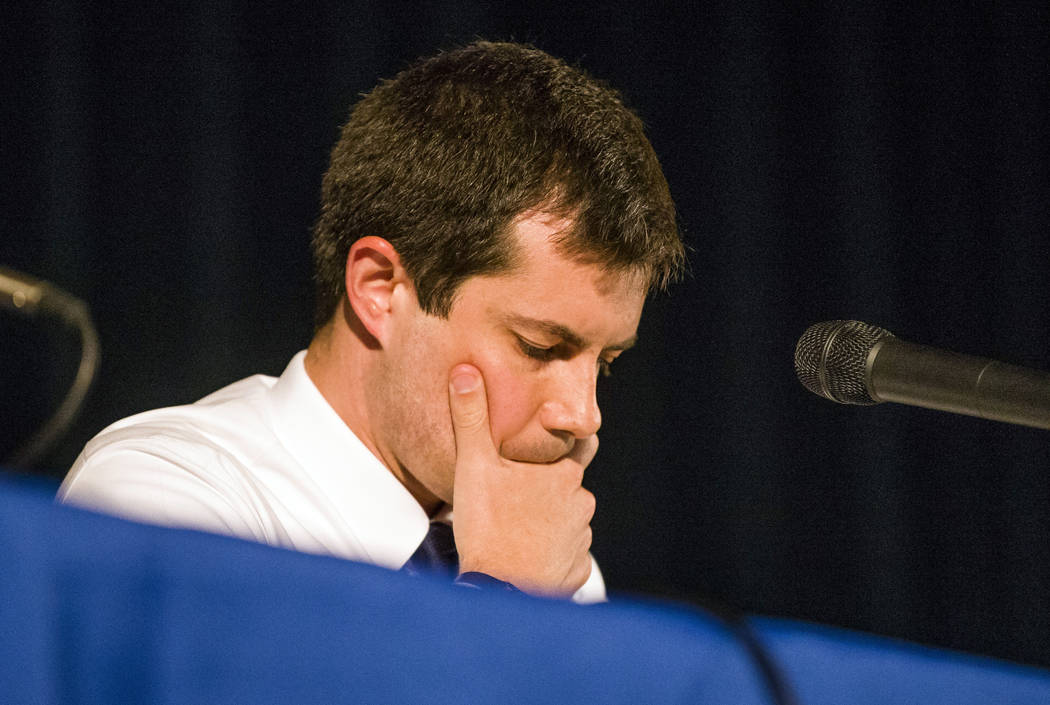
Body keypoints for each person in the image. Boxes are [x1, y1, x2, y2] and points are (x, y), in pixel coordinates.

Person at [58, 41, 684, 603]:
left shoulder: (552, 564)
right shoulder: (166, 500)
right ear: (380, 289)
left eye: (605, 363)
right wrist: (501, 600)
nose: (584, 415)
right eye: (539, 346)